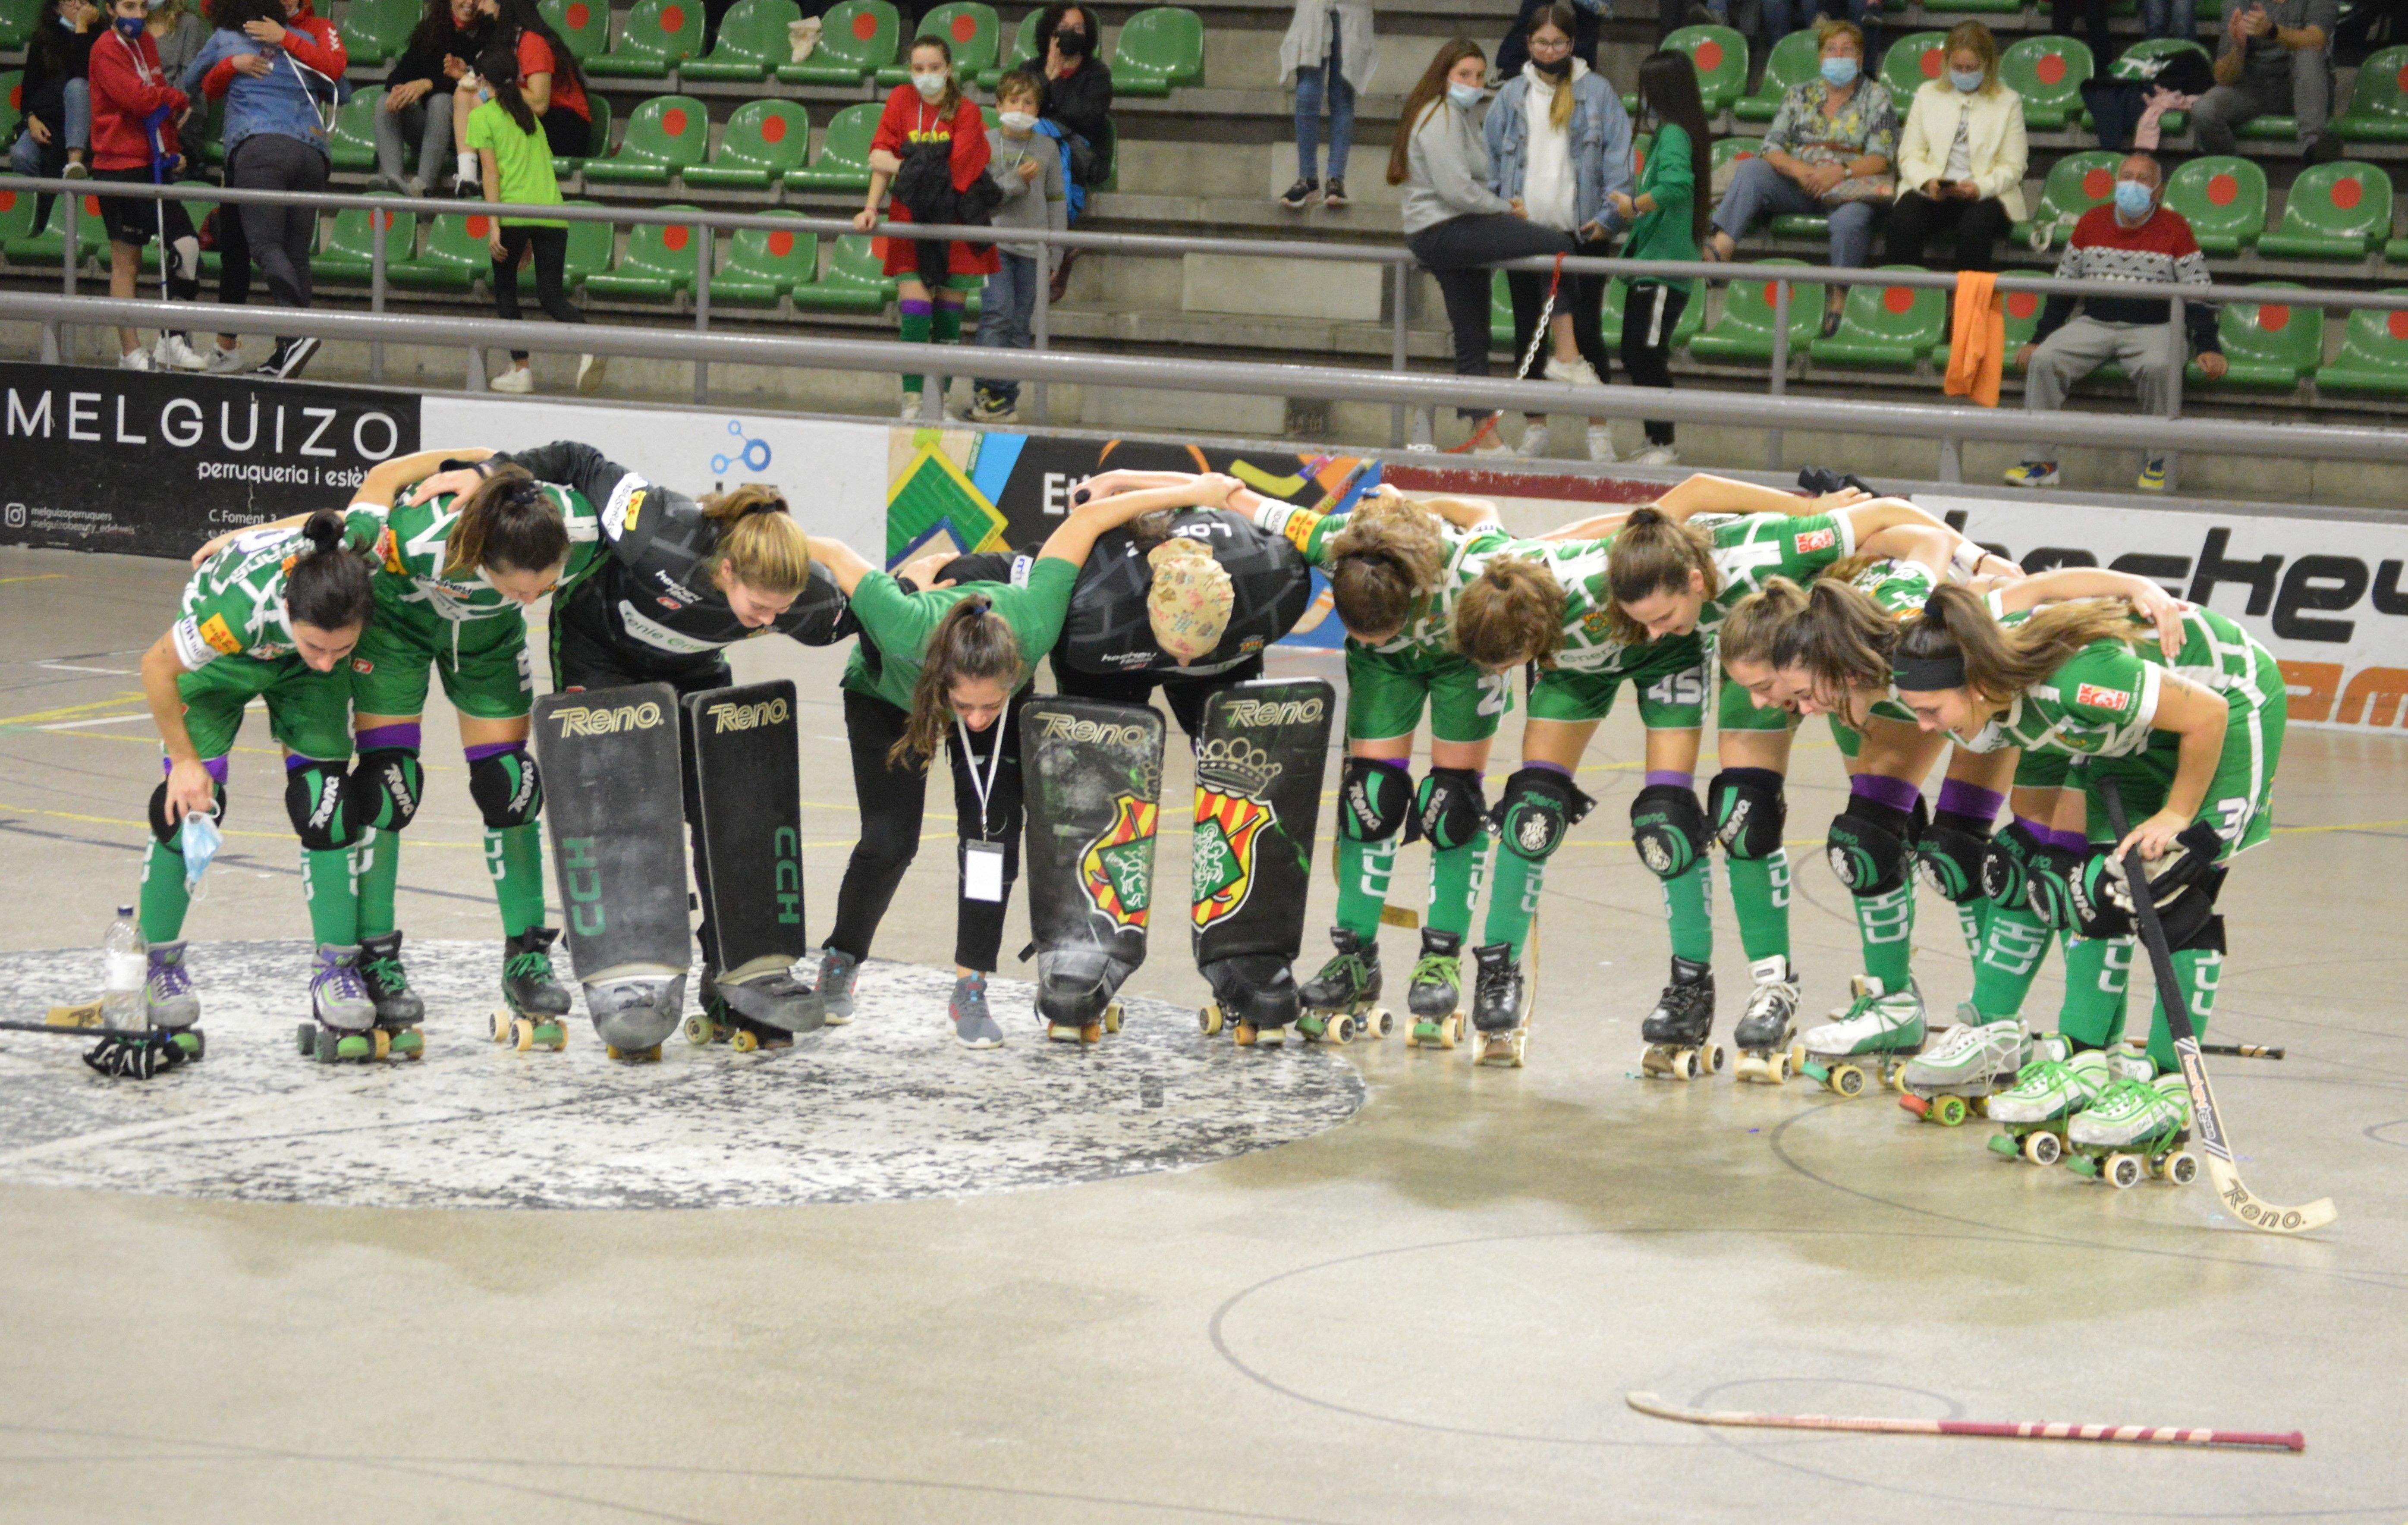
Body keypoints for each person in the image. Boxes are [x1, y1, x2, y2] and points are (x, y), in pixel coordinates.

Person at [802, 476, 1242, 1049]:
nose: (977, 718)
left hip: (985, 655)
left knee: (992, 835)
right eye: (966, 706)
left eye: (992, 702)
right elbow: (833, 551)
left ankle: (972, 988)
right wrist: (748, 537)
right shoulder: (902, 623)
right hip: (890, 696)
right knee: (889, 841)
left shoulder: (1037, 616)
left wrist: (1197, 488)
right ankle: (841, 958)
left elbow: (1088, 519)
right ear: (944, 679)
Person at [1722, 564, 2189, 1090]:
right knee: (1977, 860)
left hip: (2053, 699)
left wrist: (2137, 585)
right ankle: (2007, 1027)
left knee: (2053, 875)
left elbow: (2032, 590)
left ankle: (2065, 1042)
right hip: (2008, 709)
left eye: (1788, 692)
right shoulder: (1856, 666)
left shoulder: (1913, 640)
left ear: (1824, 663)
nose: (1790, 708)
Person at [1887, 582, 2287, 1156]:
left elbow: (2207, 713)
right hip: (2140, 728)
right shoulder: (1969, 651)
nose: (1926, 727)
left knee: (2171, 888)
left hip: (2230, 704)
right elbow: (2050, 584)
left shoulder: (2078, 682)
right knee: (2081, 883)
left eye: (1930, 710)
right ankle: (2083, 1062)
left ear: (1976, 685)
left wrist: (2176, 814)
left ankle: (2168, 1083)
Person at [1600, 495, 1974, 1063]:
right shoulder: (1693, 592)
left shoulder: (1786, 557)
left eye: (1658, 619)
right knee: (1742, 813)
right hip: (1759, 650)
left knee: (1877, 833)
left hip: (1836, 661)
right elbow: (1680, 496)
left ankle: (1896, 991)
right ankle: (1771, 987)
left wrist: (1978, 561)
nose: (1653, 634)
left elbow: (1888, 522)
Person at [135, 511, 380, 1052]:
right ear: (289, 609)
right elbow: (155, 667)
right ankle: (156, 966)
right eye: (318, 645)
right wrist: (183, 761)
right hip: (226, 661)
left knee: (328, 803)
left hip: (285, 663)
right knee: (191, 807)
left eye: (340, 649)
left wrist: (488, 462)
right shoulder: (234, 613)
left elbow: (342, 512)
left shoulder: (358, 564)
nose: (327, 663)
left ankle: (336, 971)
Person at [928, 465, 1318, 739]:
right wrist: (917, 588)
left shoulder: (1279, 576)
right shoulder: (1089, 588)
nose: (1184, 660)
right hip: (1112, 653)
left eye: (1194, 652)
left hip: (1229, 650)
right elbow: (993, 572)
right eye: (1177, 648)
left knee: (1236, 760)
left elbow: (1221, 490)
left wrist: (1124, 477)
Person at [1391, 37, 1598, 454]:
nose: (1474, 82)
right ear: (1443, 75)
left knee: (1473, 336)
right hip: (1448, 229)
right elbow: (1457, 191)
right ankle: (1567, 356)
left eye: (1480, 75)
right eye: (1464, 74)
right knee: (1558, 245)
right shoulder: (1441, 116)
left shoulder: (1454, 115)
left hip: (1445, 231)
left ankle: (1486, 439)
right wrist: (1506, 208)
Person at [2006, 154, 2226, 494]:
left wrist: (2208, 345)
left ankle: (2159, 462)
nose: (2132, 184)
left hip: (2156, 327)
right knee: (2044, 360)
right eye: (2127, 176)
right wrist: (2039, 338)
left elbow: (2197, 292)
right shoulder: (2091, 222)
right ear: (2116, 182)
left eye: (2142, 179)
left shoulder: (2176, 227)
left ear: (2158, 191)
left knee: (2159, 366)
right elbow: (2064, 287)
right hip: (2095, 322)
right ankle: (2041, 462)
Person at [1486, 4, 1631, 463]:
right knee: (1529, 331)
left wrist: (1607, 217)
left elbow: (1618, 162)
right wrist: (1498, 207)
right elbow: (1489, 163)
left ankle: (1599, 431)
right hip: (1524, 236)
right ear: (1527, 45)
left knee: (1586, 333)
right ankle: (1535, 426)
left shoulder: (1599, 92)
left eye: (1558, 43)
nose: (1549, 51)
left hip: (1582, 232)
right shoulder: (1509, 96)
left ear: (1572, 45)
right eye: (1541, 43)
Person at [184, 0, 345, 381]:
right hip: (312, 153)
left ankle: (298, 332)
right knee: (297, 255)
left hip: (260, 150)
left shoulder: (225, 39)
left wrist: (230, 66)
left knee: (265, 247)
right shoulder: (303, 37)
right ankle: (289, 352)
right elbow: (341, 88)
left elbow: (192, 83)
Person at [1704, 17, 1896, 337]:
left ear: (1860, 59)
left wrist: (1840, 172)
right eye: (1831, 50)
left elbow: (1881, 157)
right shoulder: (1799, 94)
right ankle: (1719, 252)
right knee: (1752, 169)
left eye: (1847, 51)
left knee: (1851, 220)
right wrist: (1801, 170)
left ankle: (1838, 300)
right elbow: (1772, 147)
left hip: (1848, 187)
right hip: (1800, 183)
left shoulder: (1877, 97)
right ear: (1820, 57)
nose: (1838, 56)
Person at [853, 35, 995, 420]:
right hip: (908, 220)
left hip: (955, 225)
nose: (926, 76)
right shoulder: (900, 100)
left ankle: (940, 402)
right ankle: (913, 401)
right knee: (915, 310)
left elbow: (952, 175)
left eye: (934, 68)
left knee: (949, 318)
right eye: (919, 69)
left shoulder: (966, 113)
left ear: (948, 70)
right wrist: (870, 207)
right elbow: (877, 156)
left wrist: (902, 162)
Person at [465, 43, 597, 396]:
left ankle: (521, 368)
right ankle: (590, 344)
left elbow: (490, 174)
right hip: (552, 213)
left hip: (513, 211)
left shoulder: (482, 116)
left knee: (506, 288)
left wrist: (495, 224)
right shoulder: (530, 117)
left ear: (485, 81)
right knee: (551, 296)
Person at [87, 0, 203, 371]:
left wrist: (173, 149)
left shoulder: (147, 44)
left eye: (142, 7)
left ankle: (173, 338)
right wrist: (174, 97)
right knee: (128, 263)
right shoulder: (104, 48)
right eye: (129, 6)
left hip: (152, 164)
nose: (137, 15)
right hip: (118, 167)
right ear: (110, 8)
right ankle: (130, 353)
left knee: (186, 244)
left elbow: (157, 105)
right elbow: (139, 99)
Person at [1606, 49, 1708, 469]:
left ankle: (1663, 443)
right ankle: (1654, 440)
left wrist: (1634, 206)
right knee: (1635, 352)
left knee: (1645, 353)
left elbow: (1676, 186)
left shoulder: (1672, 135)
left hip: (1663, 268)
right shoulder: (1675, 132)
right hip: (1650, 265)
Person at [1882, 21, 2026, 275]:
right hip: (1936, 191)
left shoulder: (2008, 101)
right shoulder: (1927, 94)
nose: (1964, 73)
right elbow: (1908, 156)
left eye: (1971, 68)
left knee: (1976, 226)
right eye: (1958, 67)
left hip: (1986, 196)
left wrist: (1979, 188)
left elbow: (2014, 166)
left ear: (1987, 66)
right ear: (1947, 63)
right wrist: (1928, 182)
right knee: (1903, 219)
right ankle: (1907, 301)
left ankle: (1965, 309)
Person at [965, 70, 1066, 426]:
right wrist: (1015, 181)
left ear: (1037, 109)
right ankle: (985, 392)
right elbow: (981, 197)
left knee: (1022, 323)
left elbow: (1056, 201)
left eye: (1028, 102)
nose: (1021, 107)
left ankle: (1006, 397)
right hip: (995, 245)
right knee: (997, 313)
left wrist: (1056, 252)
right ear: (998, 105)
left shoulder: (1048, 148)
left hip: (1035, 250)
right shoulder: (984, 142)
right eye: (1013, 100)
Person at [446, 0, 591, 195]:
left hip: (567, 128)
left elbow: (540, 104)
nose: (479, 7)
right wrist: (472, 77)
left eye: (484, 1)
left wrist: (494, 88)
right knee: (464, 93)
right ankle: (467, 178)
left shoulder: (532, 41)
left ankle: (491, 177)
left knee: (482, 99)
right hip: (533, 118)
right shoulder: (503, 42)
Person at [1030, 2, 1112, 302]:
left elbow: (1087, 118)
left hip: (1080, 149)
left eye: (1079, 29)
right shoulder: (1031, 69)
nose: (1072, 34)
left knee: (1045, 141)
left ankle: (1054, 246)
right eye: (1065, 29)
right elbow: (1017, 109)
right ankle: (1054, 248)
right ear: (1050, 34)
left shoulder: (1097, 74)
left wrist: (1052, 85)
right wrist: (1044, 78)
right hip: (1035, 149)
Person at [2193, 0, 2340, 162]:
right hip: (2255, 86)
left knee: (2308, 55)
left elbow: (2316, 41)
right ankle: (2235, 175)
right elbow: (2223, 78)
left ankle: (2313, 149)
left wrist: (2272, 30)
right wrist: (2238, 48)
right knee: (2204, 110)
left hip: (2304, 86)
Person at [371, 0, 489, 196]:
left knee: (441, 101)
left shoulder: (489, 33)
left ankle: (423, 190)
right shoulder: (432, 29)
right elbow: (400, 74)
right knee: (386, 101)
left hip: (468, 134)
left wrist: (428, 84)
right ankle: (394, 187)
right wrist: (400, 89)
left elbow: (479, 85)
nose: (470, 3)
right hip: (434, 129)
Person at [1277, 0, 1373, 211]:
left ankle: (1336, 179)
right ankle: (1307, 178)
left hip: (1354, 9)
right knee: (1306, 95)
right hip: (1313, 7)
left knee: (1342, 97)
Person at [9, 0, 97, 208]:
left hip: (86, 123)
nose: (78, 6)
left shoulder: (99, 36)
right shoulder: (44, 39)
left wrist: (82, 29)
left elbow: (82, 75)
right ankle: (37, 213)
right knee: (21, 155)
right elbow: (29, 91)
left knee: (76, 87)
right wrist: (31, 120)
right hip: (48, 120)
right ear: (57, 8)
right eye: (71, 1)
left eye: (83, 1)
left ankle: (74, 163)